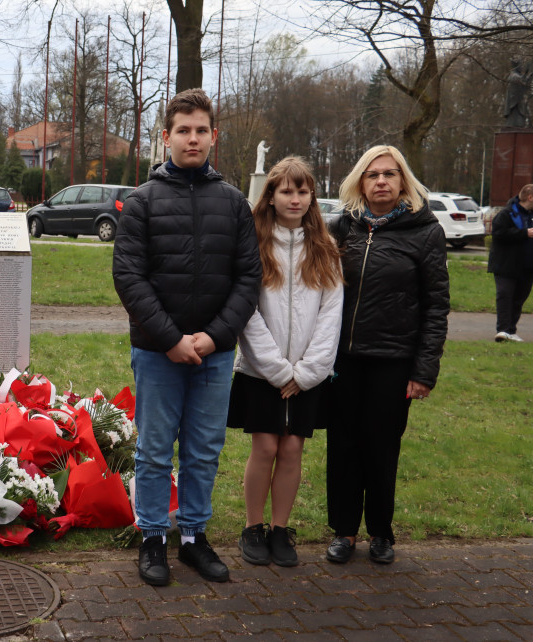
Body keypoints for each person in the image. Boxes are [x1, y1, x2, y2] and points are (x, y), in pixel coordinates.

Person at [113, 88, 261, 586]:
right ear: (166, 137)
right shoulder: (142, 203)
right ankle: (153, 537)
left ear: (213, 137)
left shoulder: (234, 204)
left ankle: (194, 537)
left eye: (201, 130)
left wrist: (214, 337)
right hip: (158, 352)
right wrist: (173, 338)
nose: (192, 139)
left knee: (203, 450)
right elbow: (130, 278)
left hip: (214, 355)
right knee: (154, 450)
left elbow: (248, 278)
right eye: (183, 130)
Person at [325, 145, 449, 565]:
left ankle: (381, 532)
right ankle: (344, 531)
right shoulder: (344, 228)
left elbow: (436, 305)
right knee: (342, 447)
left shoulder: (426, 231)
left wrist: (425, 370)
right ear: (360, 181)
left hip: (394, 362)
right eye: (373, 174)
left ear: (403, 181)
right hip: (343, 360)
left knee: (381, 448)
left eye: (389, 174)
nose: (381, 181)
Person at [228, 157, 343, 568]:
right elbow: (246, 312)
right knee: (265, 445)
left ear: (312, 197)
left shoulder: (325, 249)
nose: (295, 199)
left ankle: (280, 530)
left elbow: (331, 314)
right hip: (262, 370)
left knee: (293, 447)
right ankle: (253, 528)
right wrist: (277, 369)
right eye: (286, 191)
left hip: (308, 374)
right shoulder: (255, 244)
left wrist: (309, 371)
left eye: (303, 191)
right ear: (271, 196)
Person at [488, 183, 533, 342]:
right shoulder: (507, 214)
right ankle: (502, 330)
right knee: (505, 296)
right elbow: (498, 234)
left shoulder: (531, 215)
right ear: (530, 197)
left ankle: (511, 330)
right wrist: (524, 233)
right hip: (505, 265)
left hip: (526, 267)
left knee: (519, 298)